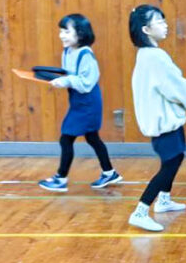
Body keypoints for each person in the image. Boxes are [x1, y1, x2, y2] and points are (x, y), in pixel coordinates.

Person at [128, 5, 186, 232]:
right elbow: (176, 87)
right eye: (159, 21)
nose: (165, 25)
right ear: (146, 29)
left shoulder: (147, 55)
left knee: (176, 158)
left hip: (166, 122)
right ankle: (141, 210)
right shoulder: (156, 57)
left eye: (164, 20)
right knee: (170, 163)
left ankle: (164, 200)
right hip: (164, 125)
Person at [38, 14, 123, 192]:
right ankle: (109, 172)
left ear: (81, 34)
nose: (62, 35)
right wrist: (58, 79)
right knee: (92, 138)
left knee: (66, 138)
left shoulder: (86, 55)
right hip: (78, 102)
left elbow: (86, 83)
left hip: (88, 104)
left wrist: (67, 81)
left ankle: (60, 178)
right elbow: (69, 76)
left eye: (66, 31)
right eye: (61, 31)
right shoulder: (67, 51)